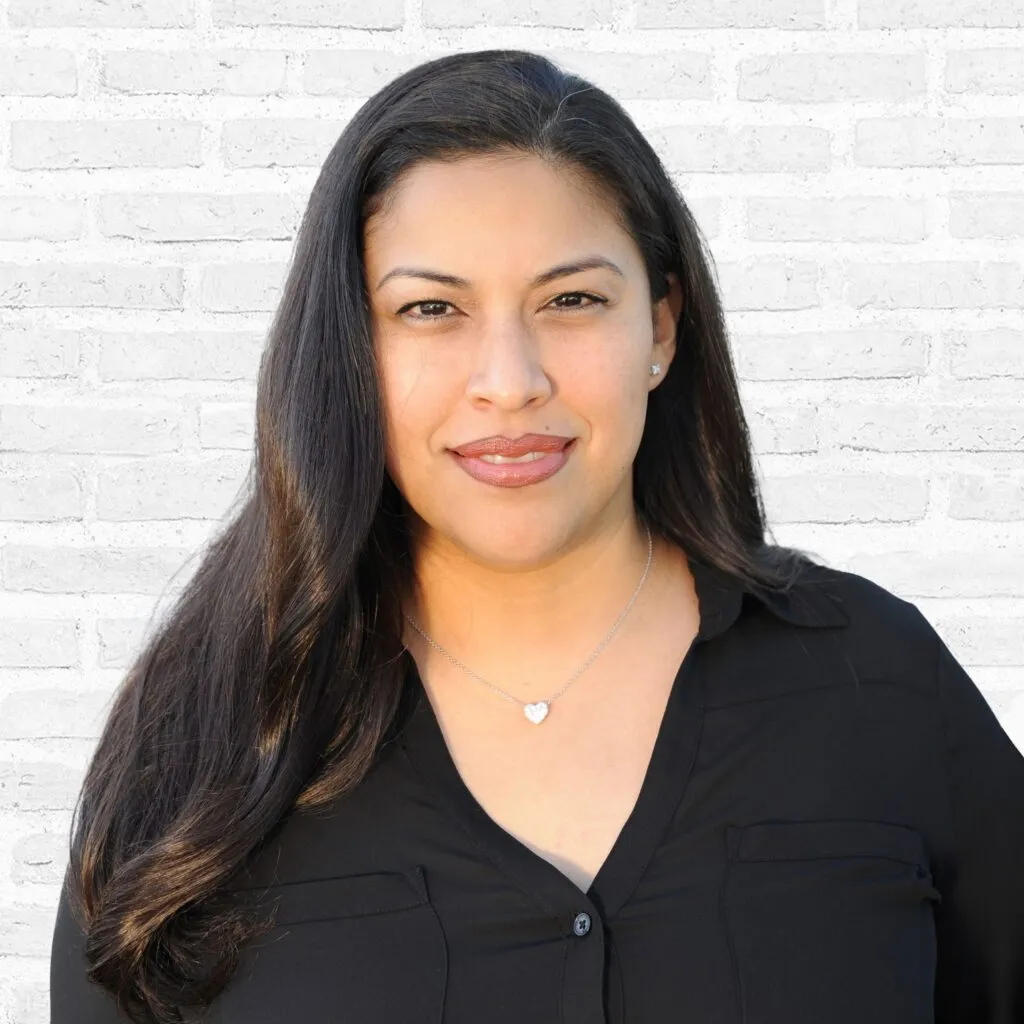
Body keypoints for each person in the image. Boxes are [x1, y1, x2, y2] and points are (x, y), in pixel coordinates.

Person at [49, 49, 1024, 1024]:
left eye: (571, 300)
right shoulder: (198, 745)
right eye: (431, 309)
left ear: (661, 328)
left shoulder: (879, 687)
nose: (509, 380)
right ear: (350, 348)